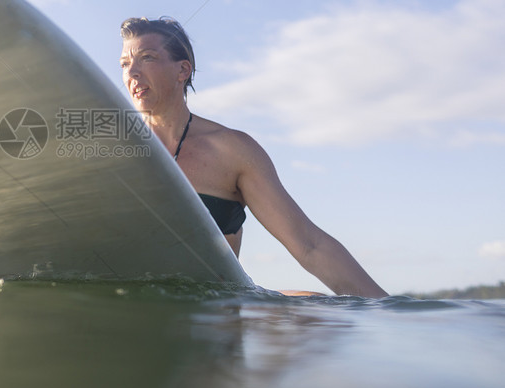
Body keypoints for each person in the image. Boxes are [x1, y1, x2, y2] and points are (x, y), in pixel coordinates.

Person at [119, 16, 388, 298]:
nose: (132, 72)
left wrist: (387, 310)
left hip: (215, 313)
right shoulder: (108, 151)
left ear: (182, 70)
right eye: (124, 64)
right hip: (129, 304)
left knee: (319, 310)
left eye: (146, 58)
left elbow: (309, 245)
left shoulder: (232, 150)